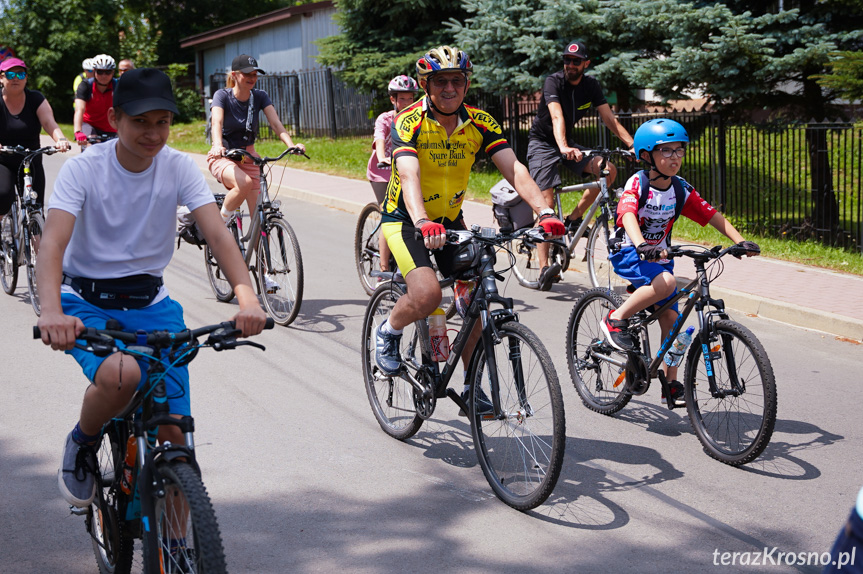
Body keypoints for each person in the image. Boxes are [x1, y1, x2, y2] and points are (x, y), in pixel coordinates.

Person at [35, 67, 268, 508]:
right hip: (85, 299)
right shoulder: (84, 169)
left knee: (175, 434)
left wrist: (248, 298)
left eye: (162, 121)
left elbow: (218, 235)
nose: (153, 133)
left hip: (152, 302)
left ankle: (178, 547)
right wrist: (51, 311)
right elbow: (53, 244)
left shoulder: (178, 165)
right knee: (123, 374)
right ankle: (84, 441)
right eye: (141, 121)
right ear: (118, 119)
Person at [374, 45, 564, 408]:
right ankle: (389, 331)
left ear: (467, 83)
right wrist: (421, 221)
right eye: (440, 81)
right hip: (407, 219)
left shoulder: (480, 121)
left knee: (473, 298)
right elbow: (408, 174)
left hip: (450, 221)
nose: (449, 88)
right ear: (424, 85)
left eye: (456, 81)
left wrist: (543, 211)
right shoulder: (408, 121)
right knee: (428, 294)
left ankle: (470, 384)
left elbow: (514, 168)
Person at [601, 118, 759, 405]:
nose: (675, 158)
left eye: (679, 151)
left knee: (674, 323)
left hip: (660, 258)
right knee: (668, 282)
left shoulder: (679, 188)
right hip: (629, 251)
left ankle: (670, 384)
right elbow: (627, 215)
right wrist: (641, 246)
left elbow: (711, 214)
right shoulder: (638, 182)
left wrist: (739, 241)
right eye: (667, 151)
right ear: (647, 156)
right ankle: (615, 319)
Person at [527, 40, 635, 291]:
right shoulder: (553, 81)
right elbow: (556, 115)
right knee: (547, 207)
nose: (571, 65)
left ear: (586, 63)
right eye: (567, 60)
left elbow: (608, 117)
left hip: (567, 143)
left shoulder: (591, 85)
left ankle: (574, 220)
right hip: (543, 143)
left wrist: (632, 145)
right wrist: (563, 146)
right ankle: (544, 267)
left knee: (608, 171)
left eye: (576, 61)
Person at [207, 54, 305, 223]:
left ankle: (258, 247)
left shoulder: (260, 96)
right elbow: (217, 121)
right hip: (223, 154)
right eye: (247, 74)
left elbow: (275, 123)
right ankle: (219, 225)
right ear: (234, 75)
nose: (252, 78)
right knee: (243, 183)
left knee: (258, 220)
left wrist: (291, 145)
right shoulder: (222, 95)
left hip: (249, 156)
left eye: (255, 74)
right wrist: (217, 145)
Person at [0, 57, 71, 216]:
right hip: (4, 160)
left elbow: (48, 122)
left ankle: (36, 236)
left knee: (36, 209)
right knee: (2, 196)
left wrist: (60, 139)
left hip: (31, 160)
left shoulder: (35, 98)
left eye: (20, 74)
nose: (16, 79)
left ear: (26, 78)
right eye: (10, 75)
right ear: (1, 78)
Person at [366, 75, 419, 276]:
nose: (406, 103)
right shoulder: (385, 119)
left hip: (404, 170)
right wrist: (383, 157)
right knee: (390, 216)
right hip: (382, 171)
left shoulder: (416, 119)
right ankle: (383, 270)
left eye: (410, 99)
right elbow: (380, 140)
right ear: (393, 100)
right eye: (402, 99)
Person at [73, 54, 118, 148]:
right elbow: (79, 110)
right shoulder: (86, 85)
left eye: (108, 72)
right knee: (92, 148)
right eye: (100, 72)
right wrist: (78, 131)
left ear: (113, 72)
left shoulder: (117, 86)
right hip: (89, 124)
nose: (104, 76)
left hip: (111, 127)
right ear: (94, 71)